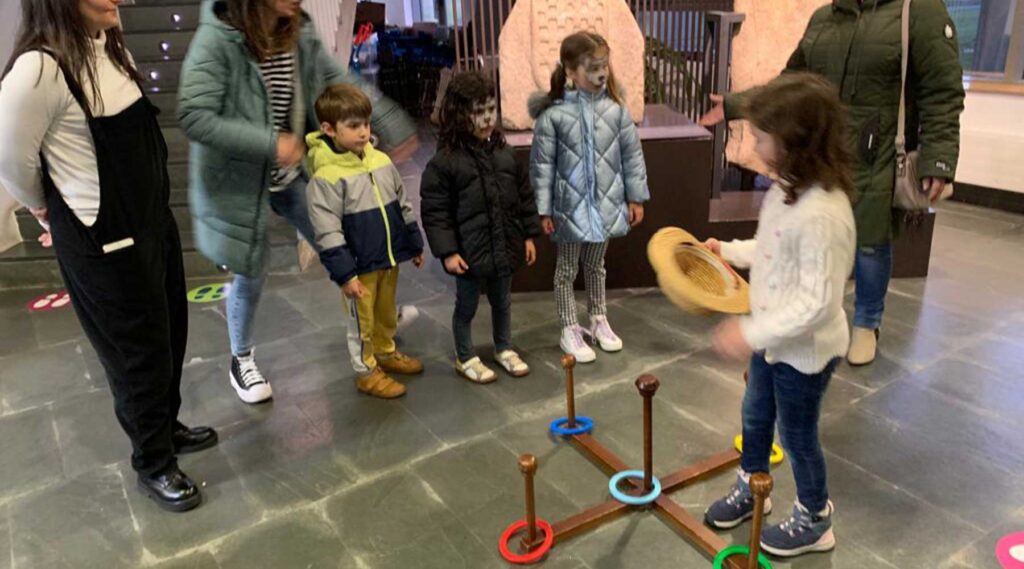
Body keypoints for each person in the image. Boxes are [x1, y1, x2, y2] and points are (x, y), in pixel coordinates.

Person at [0, 0, 216, 512]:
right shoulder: (39, 69)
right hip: (102, 241)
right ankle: (153, 462)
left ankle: (165, 428)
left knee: (168, 333)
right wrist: (44, 208)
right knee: (135, 356)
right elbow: (10, 158)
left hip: (150, 225)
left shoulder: (110, 49)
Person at [177, 0, 417, 404]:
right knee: (251, 270)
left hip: (291, 175)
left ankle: (377, 333)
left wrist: (391, 123)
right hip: (237, 181)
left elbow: (340, 81)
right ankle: (241, 359)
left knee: (349, 252)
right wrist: (270, 144)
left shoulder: (297, 32)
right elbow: (194, 114)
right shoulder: (218, 39)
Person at [701, 0, 965, 366]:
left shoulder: (918, 10)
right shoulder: (825, 17)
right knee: (806, 233)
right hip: (820, 150)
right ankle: (811, 315)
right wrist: (738, 104)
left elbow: (942, 92)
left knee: (872, 242)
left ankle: (866, 323)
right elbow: (791, 84)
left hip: (880, 150)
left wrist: (939, 157)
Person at [702, 73, 856, 557]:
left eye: (761, 137)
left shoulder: (824, 213)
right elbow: (771, 249)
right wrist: (726, 250)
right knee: (754, 415)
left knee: (796, 436)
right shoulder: (785, 187)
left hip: (805, 354)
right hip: (773, 342)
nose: (752, 144)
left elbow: (816, 303)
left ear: (796, 142)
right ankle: (753, 487)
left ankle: (815, 516)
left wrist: (750, 332)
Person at [529, 31, 649, 364]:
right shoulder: (552, 115)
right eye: (592, 67)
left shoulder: (616, 110)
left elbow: (632, 155)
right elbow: (542, 165)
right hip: (568, 207)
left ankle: (598, 319)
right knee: (566, 269)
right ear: (570, 70)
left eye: (604, 66)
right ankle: (569, 325)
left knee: (597, 265)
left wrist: (635, 197)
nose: (601, 74)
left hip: (606, 205)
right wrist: (544, 209)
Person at [420, 71, 542, 383]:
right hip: (469, 252)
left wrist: (529, 234)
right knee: (467, 306)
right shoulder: (445, 162)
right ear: (459, 114)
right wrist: (447, 252)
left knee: (503, 301)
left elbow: (523, 196)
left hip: (503, 244)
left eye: (491, 109)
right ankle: (465, 356)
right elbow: (436, 212)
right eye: (478, 112)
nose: (487, 118)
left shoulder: (505, 153)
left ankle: (504, 347)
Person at [306, 84, 425, 398]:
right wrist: (345, 274)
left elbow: (402, 203)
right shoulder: (327, 176)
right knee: (363, 321)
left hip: (387, 258)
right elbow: (327, 230)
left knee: (386, 313)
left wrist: (413, 242)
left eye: (366, 124)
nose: (363, 133)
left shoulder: (380, 161)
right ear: (328, 129)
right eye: (353, 126)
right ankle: (365, 370)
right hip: (359, 268)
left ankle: (386, 352)